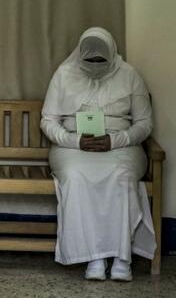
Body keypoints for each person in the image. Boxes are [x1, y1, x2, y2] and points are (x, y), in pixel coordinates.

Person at [40, 26, 155, 282]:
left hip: (121, 147)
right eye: (89, 59)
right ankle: (94, 256)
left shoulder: (129, 75)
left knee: (122, 177)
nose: (95, 63)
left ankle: (122, 257)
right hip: (73, 147)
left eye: (100, 59)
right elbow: (48, 121)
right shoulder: (64, 74)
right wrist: (74, 140)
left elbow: (144, 123)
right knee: (76, 177)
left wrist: (116, 140)